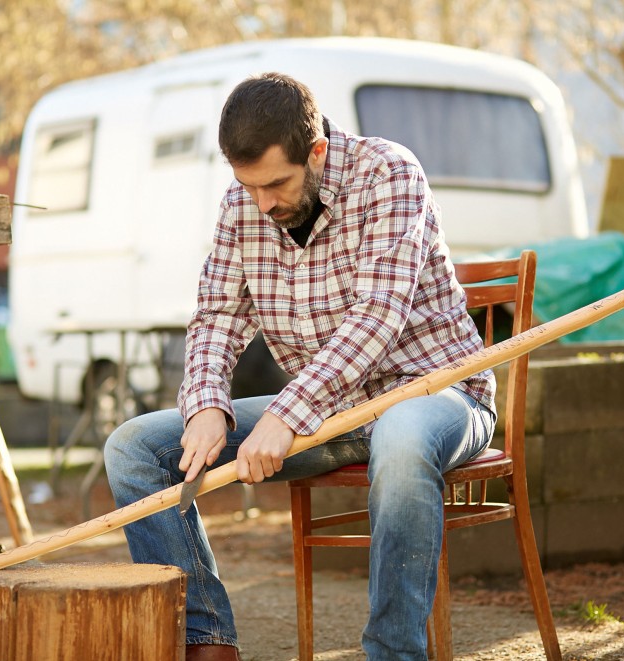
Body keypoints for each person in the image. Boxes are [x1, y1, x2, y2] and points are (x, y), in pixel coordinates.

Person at [105, 72, 496, 661]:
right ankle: (206, 641)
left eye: (276, 185)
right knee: (133, 448)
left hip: (433, 395)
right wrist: (207, 404)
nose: (263, 203)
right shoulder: (243, 205)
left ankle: (393, 654)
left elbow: (376, 317)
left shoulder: (389, 174)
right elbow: (215, 317)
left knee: (402, 434)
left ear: (316, 152)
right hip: (329, 411)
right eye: (249, 186)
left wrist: (286, 414)